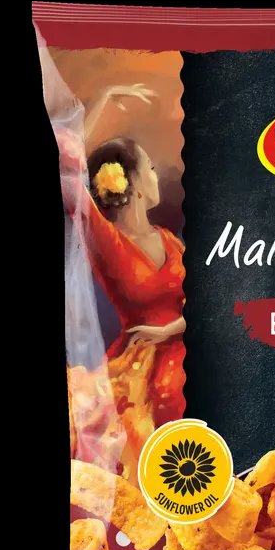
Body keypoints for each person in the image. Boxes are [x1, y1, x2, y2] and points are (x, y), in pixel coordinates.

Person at [52, 79, 186, 483]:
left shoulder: (169, 240)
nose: (156, 176)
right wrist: (103, 99)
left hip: (185, 350)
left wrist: (171, 329)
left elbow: (204, 303)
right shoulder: (107, 241)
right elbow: (67, 168)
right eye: (149, 169)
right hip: (139, 368)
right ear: (132, 183)